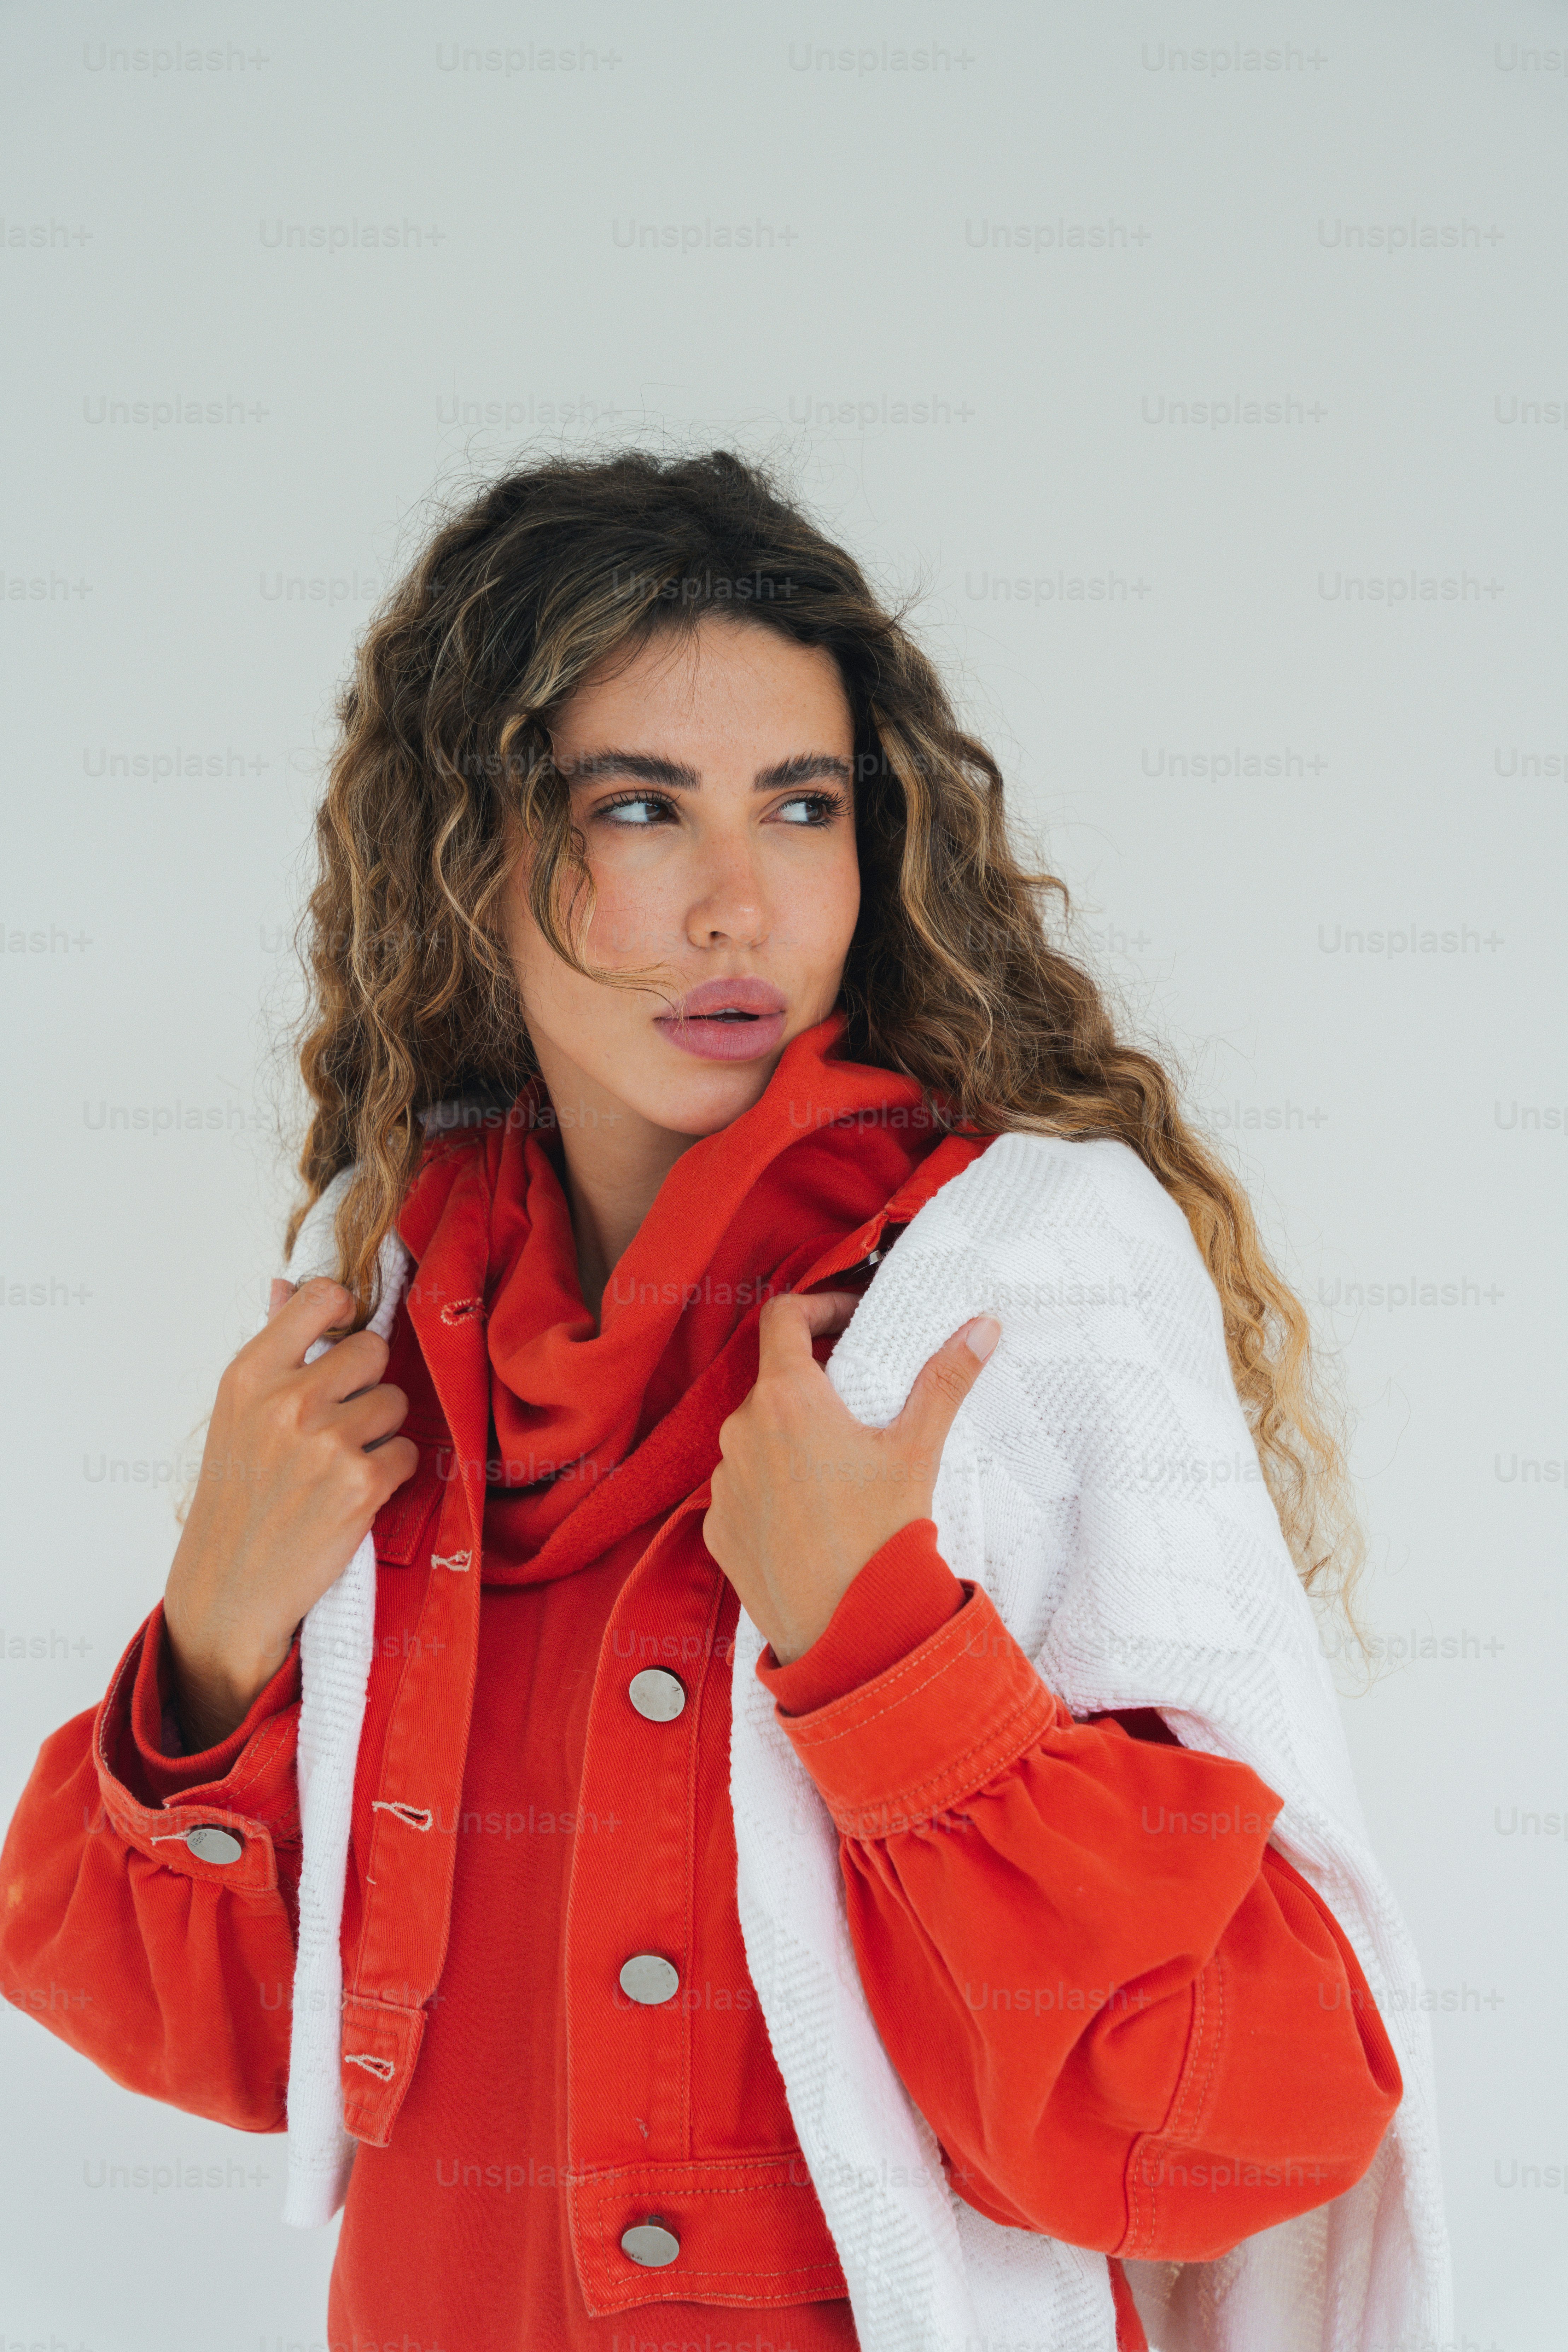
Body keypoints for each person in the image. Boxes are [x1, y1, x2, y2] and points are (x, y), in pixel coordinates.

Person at [0, 449, 1450, 2352]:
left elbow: (1244, 2124)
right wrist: (210, 1635)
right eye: (635, 809)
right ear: (465, 859)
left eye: (799, 804)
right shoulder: (378, 1311)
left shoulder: (1011, 1295)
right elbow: (213, 2040)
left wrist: (889, 1654)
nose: (735, 906)